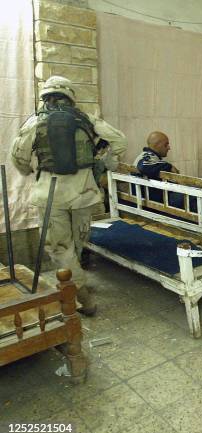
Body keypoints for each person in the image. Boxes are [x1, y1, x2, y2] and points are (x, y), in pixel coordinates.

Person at [11, 75, 127, 316]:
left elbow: (19, 156)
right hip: (83, 193)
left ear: (46, 96)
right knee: (76, 244)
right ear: (70, 96)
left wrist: (30, 172)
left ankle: (82, 297)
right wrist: (106, 164)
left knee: (60, 248)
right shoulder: (85, 119)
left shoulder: (35, 122)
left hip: (50, 193)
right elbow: (119, 141)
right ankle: (76, 283)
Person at [133, 131, 189, 209]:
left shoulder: (150, 157)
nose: (169, 148)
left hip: (151, 199)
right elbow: (144, 167)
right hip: (149, 204)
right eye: (166, 144)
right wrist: (169, 167)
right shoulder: (146, 157)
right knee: (191, 198)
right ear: (157, 145)